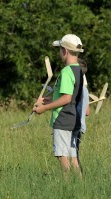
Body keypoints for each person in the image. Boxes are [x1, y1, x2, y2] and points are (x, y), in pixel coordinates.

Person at [33, 34, 84, 178]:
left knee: (62, 156)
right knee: (73, 158)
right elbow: (69, 95)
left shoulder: (66, 71)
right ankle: (80, 186)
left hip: (62, 120)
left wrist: (44, 108)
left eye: (60, 49)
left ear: (65, 51)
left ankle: (66, 186)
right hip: (73, 119)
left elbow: (66, 98)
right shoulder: (79, 71)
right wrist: (47, 100)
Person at [76, 58, 91, 172]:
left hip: (73, 125)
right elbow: (87, 112)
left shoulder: (77, 88)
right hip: (80, 126)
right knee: (75, 155)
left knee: (73, 158)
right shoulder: (84, 88)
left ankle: (78, 181)